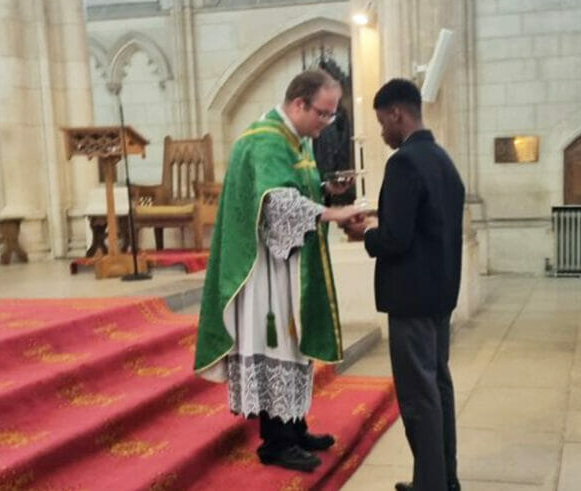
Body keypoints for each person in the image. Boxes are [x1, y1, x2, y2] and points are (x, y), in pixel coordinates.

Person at [194, 69, 362, 473]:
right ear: (299, 103)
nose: (327, 123)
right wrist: (334, 213)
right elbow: (276, 203)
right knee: (277, 347)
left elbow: (294, 190)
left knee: (293, 345)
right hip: (264, 270)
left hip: (285, 263)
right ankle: (276, 443)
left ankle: (295, 427)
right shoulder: (266, 140)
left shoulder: (292, 139)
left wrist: (325, 192)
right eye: (323, 113)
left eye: (332, 115)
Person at [345, 79, 464, 491]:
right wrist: (382, 220)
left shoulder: (404, 163)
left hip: (411, 299)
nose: (382, 132)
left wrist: (364, 234)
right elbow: (427, 222)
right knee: (439, 388)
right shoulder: (442, 160)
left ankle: (430, 486)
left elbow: (395, 239)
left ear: (397, 113)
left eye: (382, 122)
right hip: (440, 295)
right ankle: (443, 480)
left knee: (418, 398)